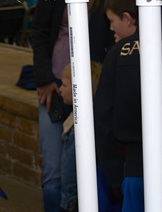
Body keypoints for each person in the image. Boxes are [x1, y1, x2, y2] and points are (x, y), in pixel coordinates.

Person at [31, 0, 120, 212]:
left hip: (94, 92)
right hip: (56, 86)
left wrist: (101, 89)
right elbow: (40, 32)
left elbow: (114, 42)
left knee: (87, 173)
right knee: (54, 176)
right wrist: (44, 79)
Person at [94, 0, 144, 212]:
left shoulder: (117, 54)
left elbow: (103, 118)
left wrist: (115, 179)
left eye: (112, 22)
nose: (111, 29)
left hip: (135, 170)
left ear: (127, 18)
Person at [59, 61, 102, 212]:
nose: (59, 90)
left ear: (79, 90)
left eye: (64, 85)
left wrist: (67, 202)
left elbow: (71, 171)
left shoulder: (78, 130)